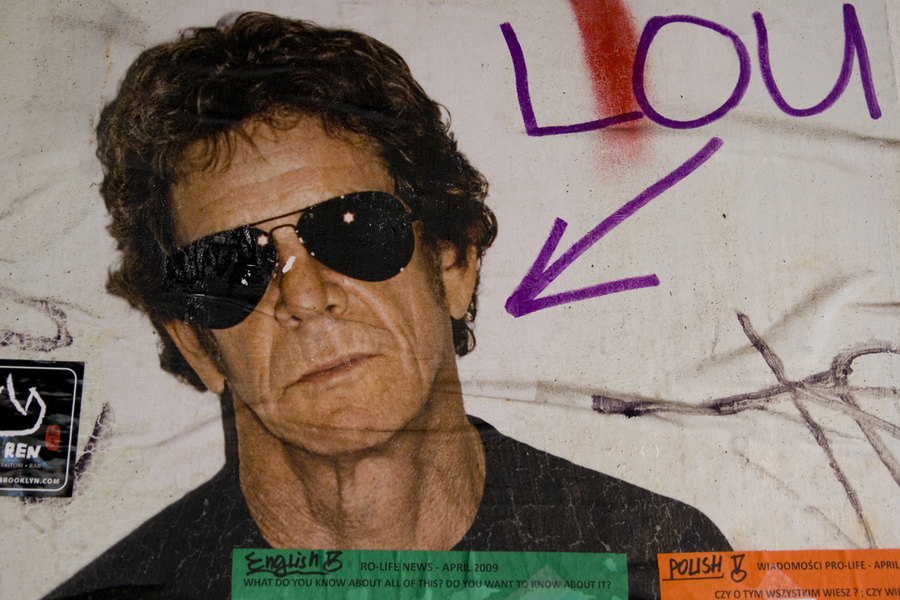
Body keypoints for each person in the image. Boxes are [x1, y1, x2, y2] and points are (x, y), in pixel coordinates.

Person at [47, 13, 729, 600]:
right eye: (232, 266)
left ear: (452, 261)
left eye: (353, 230)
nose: (304, 296)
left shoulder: (657, 562)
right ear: (196, 343)